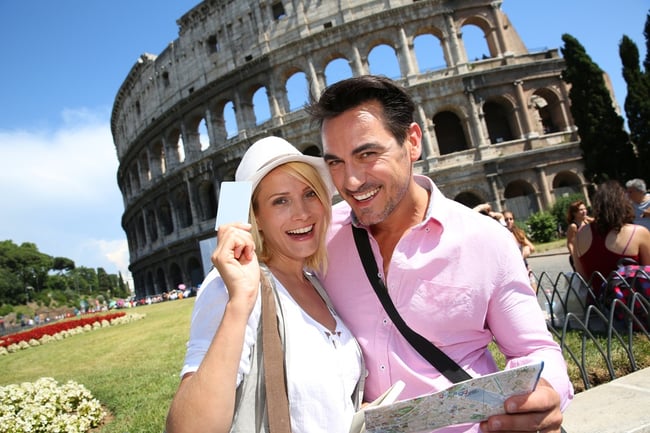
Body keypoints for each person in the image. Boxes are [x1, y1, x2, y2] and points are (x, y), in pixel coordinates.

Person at [306, 75, 573, 433]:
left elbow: (532, 349)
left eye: (367, 154)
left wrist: (545, 392)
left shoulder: (485, 240)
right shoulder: (321, 239)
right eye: (335, 162)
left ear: (412, 141)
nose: (351, 181)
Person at [166, 137, 364, 433]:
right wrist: (240, 301)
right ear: (255, 217)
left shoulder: (315, 282)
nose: (303, 213)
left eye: (310, 193)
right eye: (280, 201)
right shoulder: (231, 287)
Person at [574, 180, 650, 302]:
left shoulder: (580, 235)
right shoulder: (639, 232)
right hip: (637, 306)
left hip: (601, 306)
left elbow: (582, 276)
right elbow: (648, 273)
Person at [565, 200, 594, 271]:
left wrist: (590, 219)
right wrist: (575, 259)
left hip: (589, 253)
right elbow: (570, 244)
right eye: (581, 210)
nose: (584, 211)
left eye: (585, 209)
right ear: (574, 213)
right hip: (579, 256)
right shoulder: (573, 226)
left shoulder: (586, 221)